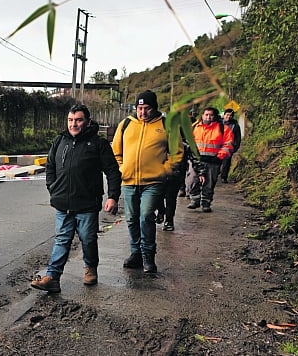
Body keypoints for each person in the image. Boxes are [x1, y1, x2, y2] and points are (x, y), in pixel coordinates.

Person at [31, 104, 121, 293]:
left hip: (87, 204)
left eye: (78, 120)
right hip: (63, 203)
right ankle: (53, 277)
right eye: (71, 120)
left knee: (88, 239)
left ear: (87, 121)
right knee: (62, 239)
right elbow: (50, 167)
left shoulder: (98, 144)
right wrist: (53, 189)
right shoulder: (59, 141)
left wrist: (113, 196)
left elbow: (113, 171)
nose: (74, 124)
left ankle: (90, 268)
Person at [112, 90, 183, 274]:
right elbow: (115, 151)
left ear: (155, 108)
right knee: (131, 218)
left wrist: (164, 170)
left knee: (146, 216)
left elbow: (177, 153)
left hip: (153, 182)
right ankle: (135, 253)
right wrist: (121, 167)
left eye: (147, 109)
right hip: (128, 181)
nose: (142, 113)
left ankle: (148, 256)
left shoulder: (166, 125)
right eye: (139, 108)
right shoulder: (126, 124)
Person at [187, 107, 234, 212]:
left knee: (209, 183)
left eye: (211, 115)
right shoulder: (195, 127)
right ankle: (194, 200)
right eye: (206, 114)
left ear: (215, 116)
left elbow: (228, 144)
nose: (208, 117)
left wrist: (219, 156)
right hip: (196, 160)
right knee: (192, 180)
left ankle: (206, 203)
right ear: (202, 115)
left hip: (213, 161)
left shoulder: (223, 128)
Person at [219, 108, 242, 183]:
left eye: (230, 115)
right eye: (227, 115)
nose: (228, 117)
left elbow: (238, 137)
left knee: (226, 162)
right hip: (217, 146)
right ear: (224, 115)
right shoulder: (219, 123)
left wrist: (236, 147)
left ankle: (224, 177)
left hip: (228, 147)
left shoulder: (235, 125)